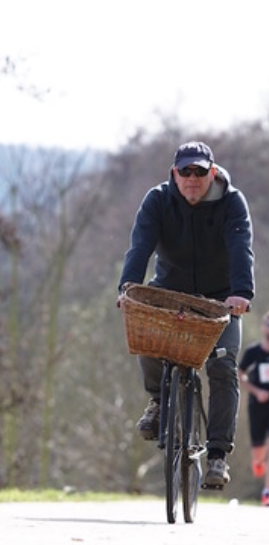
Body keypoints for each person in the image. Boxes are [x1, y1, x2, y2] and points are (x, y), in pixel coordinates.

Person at [118, 141, 254, 489]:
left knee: (223, 365)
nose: (192, 178)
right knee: (144, 333)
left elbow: (241, 247)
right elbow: (140, 246)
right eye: (185, 171)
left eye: (199, 172)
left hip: (221, 299)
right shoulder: (158, 201)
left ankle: (218, 455)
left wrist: (242, 293)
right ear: (174, 174)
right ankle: (158, 400)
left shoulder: (231, 202)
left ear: (212, 173)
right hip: (169, 292)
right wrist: (127, 288)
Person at [238, 312, 269, 506]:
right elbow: (239, 374)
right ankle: (258, 462)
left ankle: (267, 492)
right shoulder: (253, 352)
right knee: (259, 452)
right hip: (257, 405)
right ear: (263, 327)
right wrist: (257, 391)